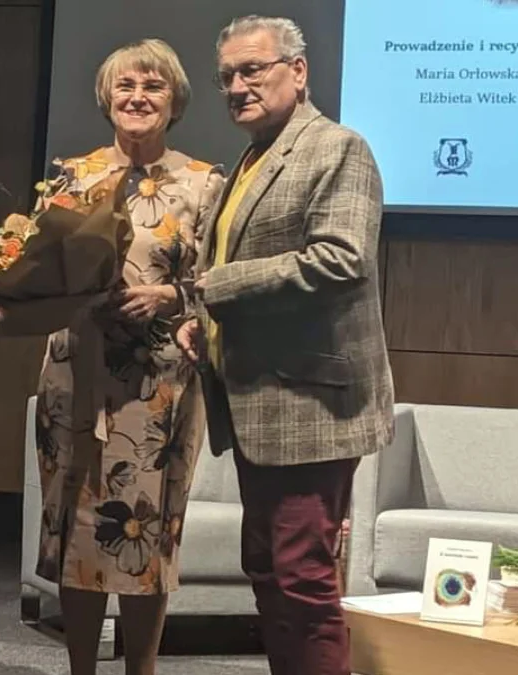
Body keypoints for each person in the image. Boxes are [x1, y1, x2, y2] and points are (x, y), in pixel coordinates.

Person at [0, 39, 224, 675]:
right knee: (77, 530)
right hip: (75, 374)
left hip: (157, 387)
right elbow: (35, 268)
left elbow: (223, 280)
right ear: (106, 97)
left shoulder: (204, 183)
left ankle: (141, 669)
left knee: (146, 534)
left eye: (153, 86)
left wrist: (169, 295)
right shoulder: (69, 178)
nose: (137, 97)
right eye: (125, 86)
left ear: (175, 101)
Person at [175, 16, 393, 675]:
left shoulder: (338, 148)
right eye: (227, 77)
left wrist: (219, 286)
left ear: (298, 72)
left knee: (302, 579)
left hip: (312, 408)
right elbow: (227, 264)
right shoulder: (251, 159)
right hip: (257, 404)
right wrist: (201, 322)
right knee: (269, 570)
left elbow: (341, 258)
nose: (237, 86)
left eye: (252, 70)